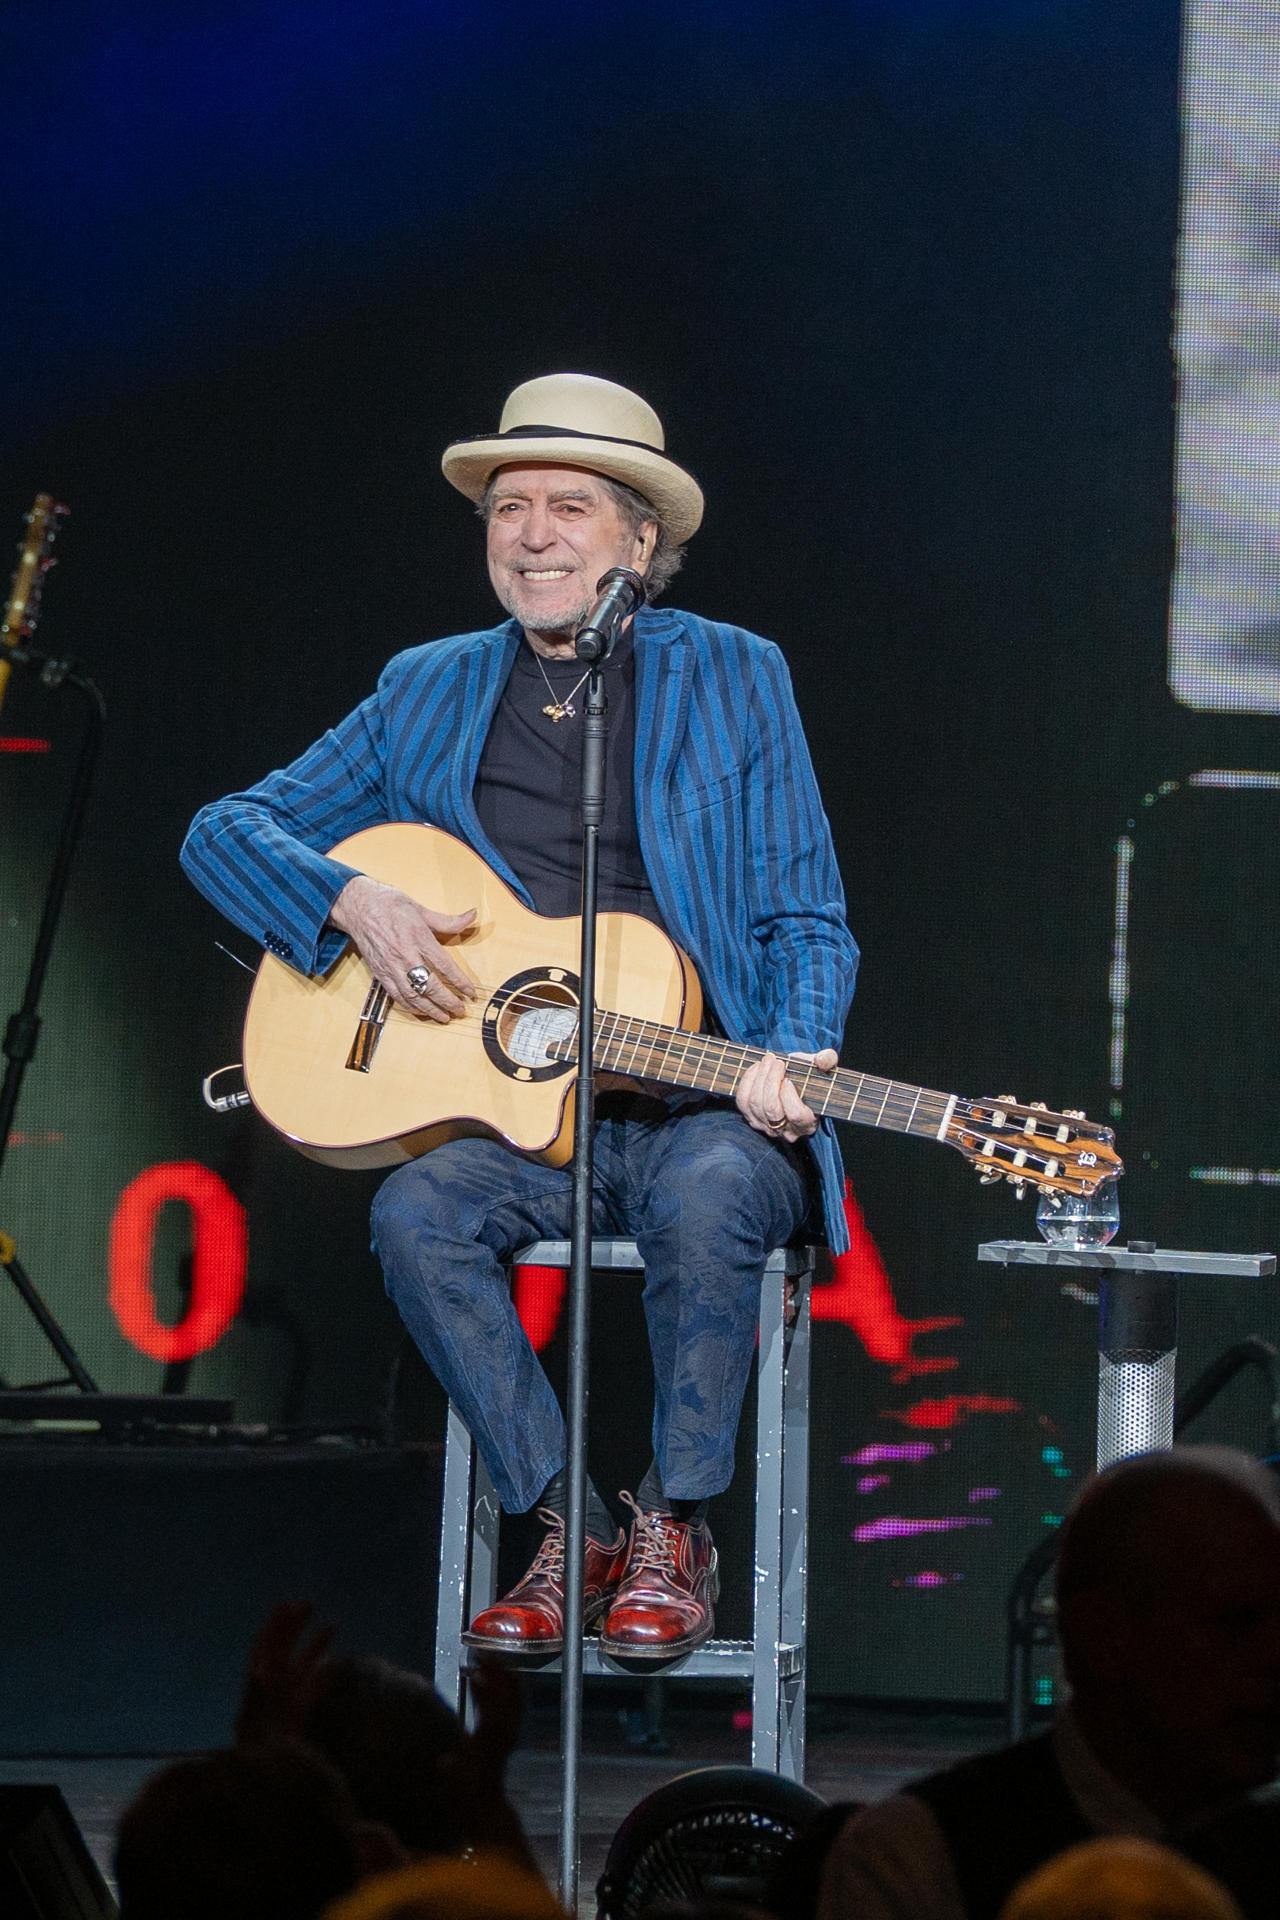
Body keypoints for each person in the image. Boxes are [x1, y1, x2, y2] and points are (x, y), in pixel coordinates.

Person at [182, 371, 857, 1656]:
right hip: (521, 1114)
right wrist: (345, 904)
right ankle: (566, 1522)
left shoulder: (733, 677)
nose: (532, 535)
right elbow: (225, 831)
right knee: (413, 1211)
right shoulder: (428, 685)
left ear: (640, 543)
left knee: (712, 1192)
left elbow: (803, 914)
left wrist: (794, 1051)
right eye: (508, 508)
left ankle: (675, 1526)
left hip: (695, 1106)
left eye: (568, 508)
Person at [816, 1446, 1280, 1920]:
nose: (1274, 1655)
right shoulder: (917, 1856)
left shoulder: (921, 1850)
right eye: (1234, 1622)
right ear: (1104, 1636)